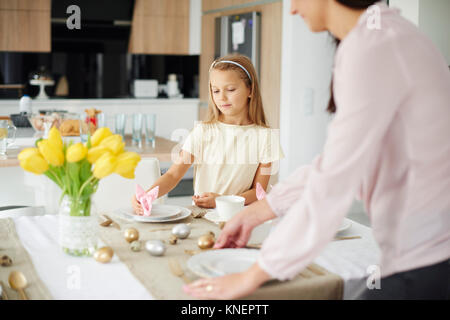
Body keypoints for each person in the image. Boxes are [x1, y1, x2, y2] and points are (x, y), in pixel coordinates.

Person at [183, 0, 450, 299]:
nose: (293, 9)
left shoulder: (373, 49)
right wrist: (256, 212)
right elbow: (333, 163)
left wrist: (255, 274)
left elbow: (333, 182)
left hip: (429, 257)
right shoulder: (383, 36)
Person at [132, 54, 283, 213]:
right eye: (216, 91)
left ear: (250, 90)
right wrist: (147, 195)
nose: (222, 97)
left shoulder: (266, 137)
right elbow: (173, 175)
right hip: (202, 216)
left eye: (230, 89)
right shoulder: (202, 131)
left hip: (238, 217)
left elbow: (258, 192)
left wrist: (221, 201)